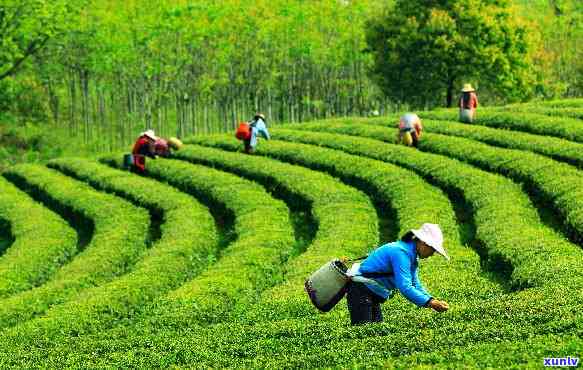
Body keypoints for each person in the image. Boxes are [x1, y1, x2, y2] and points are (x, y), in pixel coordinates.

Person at [345, 223, 450, 326]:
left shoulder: (410, 254)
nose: (432, 254)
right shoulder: (401, 253)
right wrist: (430, 303)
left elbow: (415, 284)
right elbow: (405, 287)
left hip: (371, 293)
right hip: (361, 291)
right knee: (364, 330)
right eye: (433, 249)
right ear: (423, 242)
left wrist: (432, 300)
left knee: (375, 330)